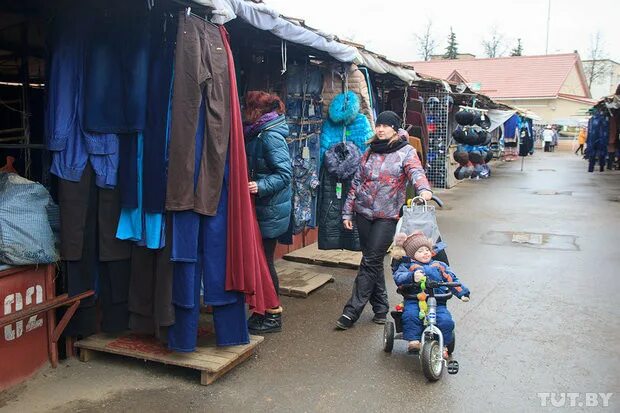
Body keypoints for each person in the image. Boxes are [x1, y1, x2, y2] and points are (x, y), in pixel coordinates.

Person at [336, 110, 432, 330]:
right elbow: (356, 182)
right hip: (363, 213)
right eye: (378, 125)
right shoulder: (369, 151)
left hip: (387, 216)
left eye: (386, 126)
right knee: (373, 259)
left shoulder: (406, 152)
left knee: (370, 261)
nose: (380, 129)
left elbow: (416, 172)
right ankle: (380, 308)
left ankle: (351, 312)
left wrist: (424, 190)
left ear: (395, 129)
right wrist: (347, 212)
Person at [243, 91, 292, 333]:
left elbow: (285, 174)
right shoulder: (257, 132)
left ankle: (273, 314)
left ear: (257, 111)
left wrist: (259, 186)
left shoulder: (270, 136)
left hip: (271, 211)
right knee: (260, 262)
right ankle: (262, 311)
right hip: (264, 209)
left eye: (247, 107)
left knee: (265, 263)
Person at [392, 231, 470, 353]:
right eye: (420, 251)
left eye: (426, 250)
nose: (425, 253)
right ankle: (414, 341)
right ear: (412, 255)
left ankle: (443, 345)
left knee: (445, 320)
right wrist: (412, 277)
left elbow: (451, 279)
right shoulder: (408, 266)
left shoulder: (439, 265)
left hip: (437, 300)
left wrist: (462, 293)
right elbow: (398, 277)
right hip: (415, 299)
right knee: (410, 315)